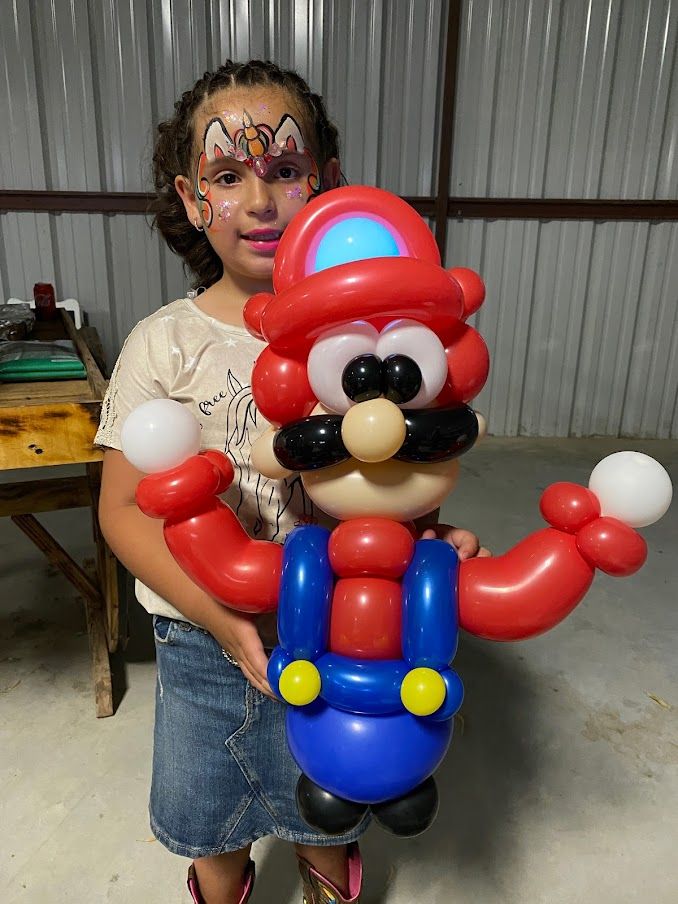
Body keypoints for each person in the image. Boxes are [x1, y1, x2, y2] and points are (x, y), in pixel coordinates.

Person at [96, 59, 488, 904]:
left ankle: (325, 881)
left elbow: (400, 470)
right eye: (227, 177)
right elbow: (122, 511)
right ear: (191, 199)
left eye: (284, 169)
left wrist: (427, 542)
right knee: (211, 828)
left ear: (328, 185)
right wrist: (220, 617)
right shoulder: (162, 344)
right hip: (201, 642)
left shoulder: (375, 336)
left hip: (350, 636)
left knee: (328, 816)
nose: (261, 201)